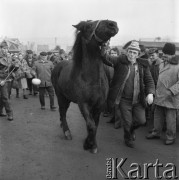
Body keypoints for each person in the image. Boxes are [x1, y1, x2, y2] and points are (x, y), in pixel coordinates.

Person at [101, 40, 155, 148]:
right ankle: (127, 138)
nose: (132, 55)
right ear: (127, 52)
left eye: (134, 53)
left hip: (138, 100)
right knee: (127, 121)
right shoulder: (119, 61)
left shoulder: (143, 65)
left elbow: (149, 80)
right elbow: (106, 58)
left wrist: (150, 93)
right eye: (130, 52)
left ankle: (131, 130)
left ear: (138, 54)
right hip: (124, 100)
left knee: (141, 121)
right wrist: (103, 46)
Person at [146, 43, 178, 145]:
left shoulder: (178, 65)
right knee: (158, 116)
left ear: (173, 54)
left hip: (171, 97)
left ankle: (170, 136)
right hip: (159, 94)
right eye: (163, 53)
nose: (164, 55)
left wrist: (171, 91)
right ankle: (156, 132)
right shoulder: (162, 63)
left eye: (167, 54)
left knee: (170, 119)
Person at [0, 41, 18, 120]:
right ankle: (5, 112)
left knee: (4, 96)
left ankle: (6, 112)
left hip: (7, 79)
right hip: (1, 79)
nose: (5, 50)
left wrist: (16, 66)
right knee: (3, 97)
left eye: (7, 49)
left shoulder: (10, 57)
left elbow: (12, 69)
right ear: (0, 48)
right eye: (4, 48)